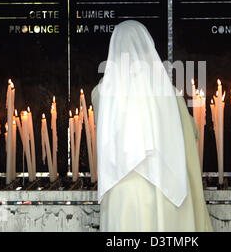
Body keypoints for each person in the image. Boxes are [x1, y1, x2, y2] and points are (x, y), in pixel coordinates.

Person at [91, 20, 213, 232]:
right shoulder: (169, 94)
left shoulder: (100, 94)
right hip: (164, 187)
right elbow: (191, 135)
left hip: (120, 191)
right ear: (149, 48)